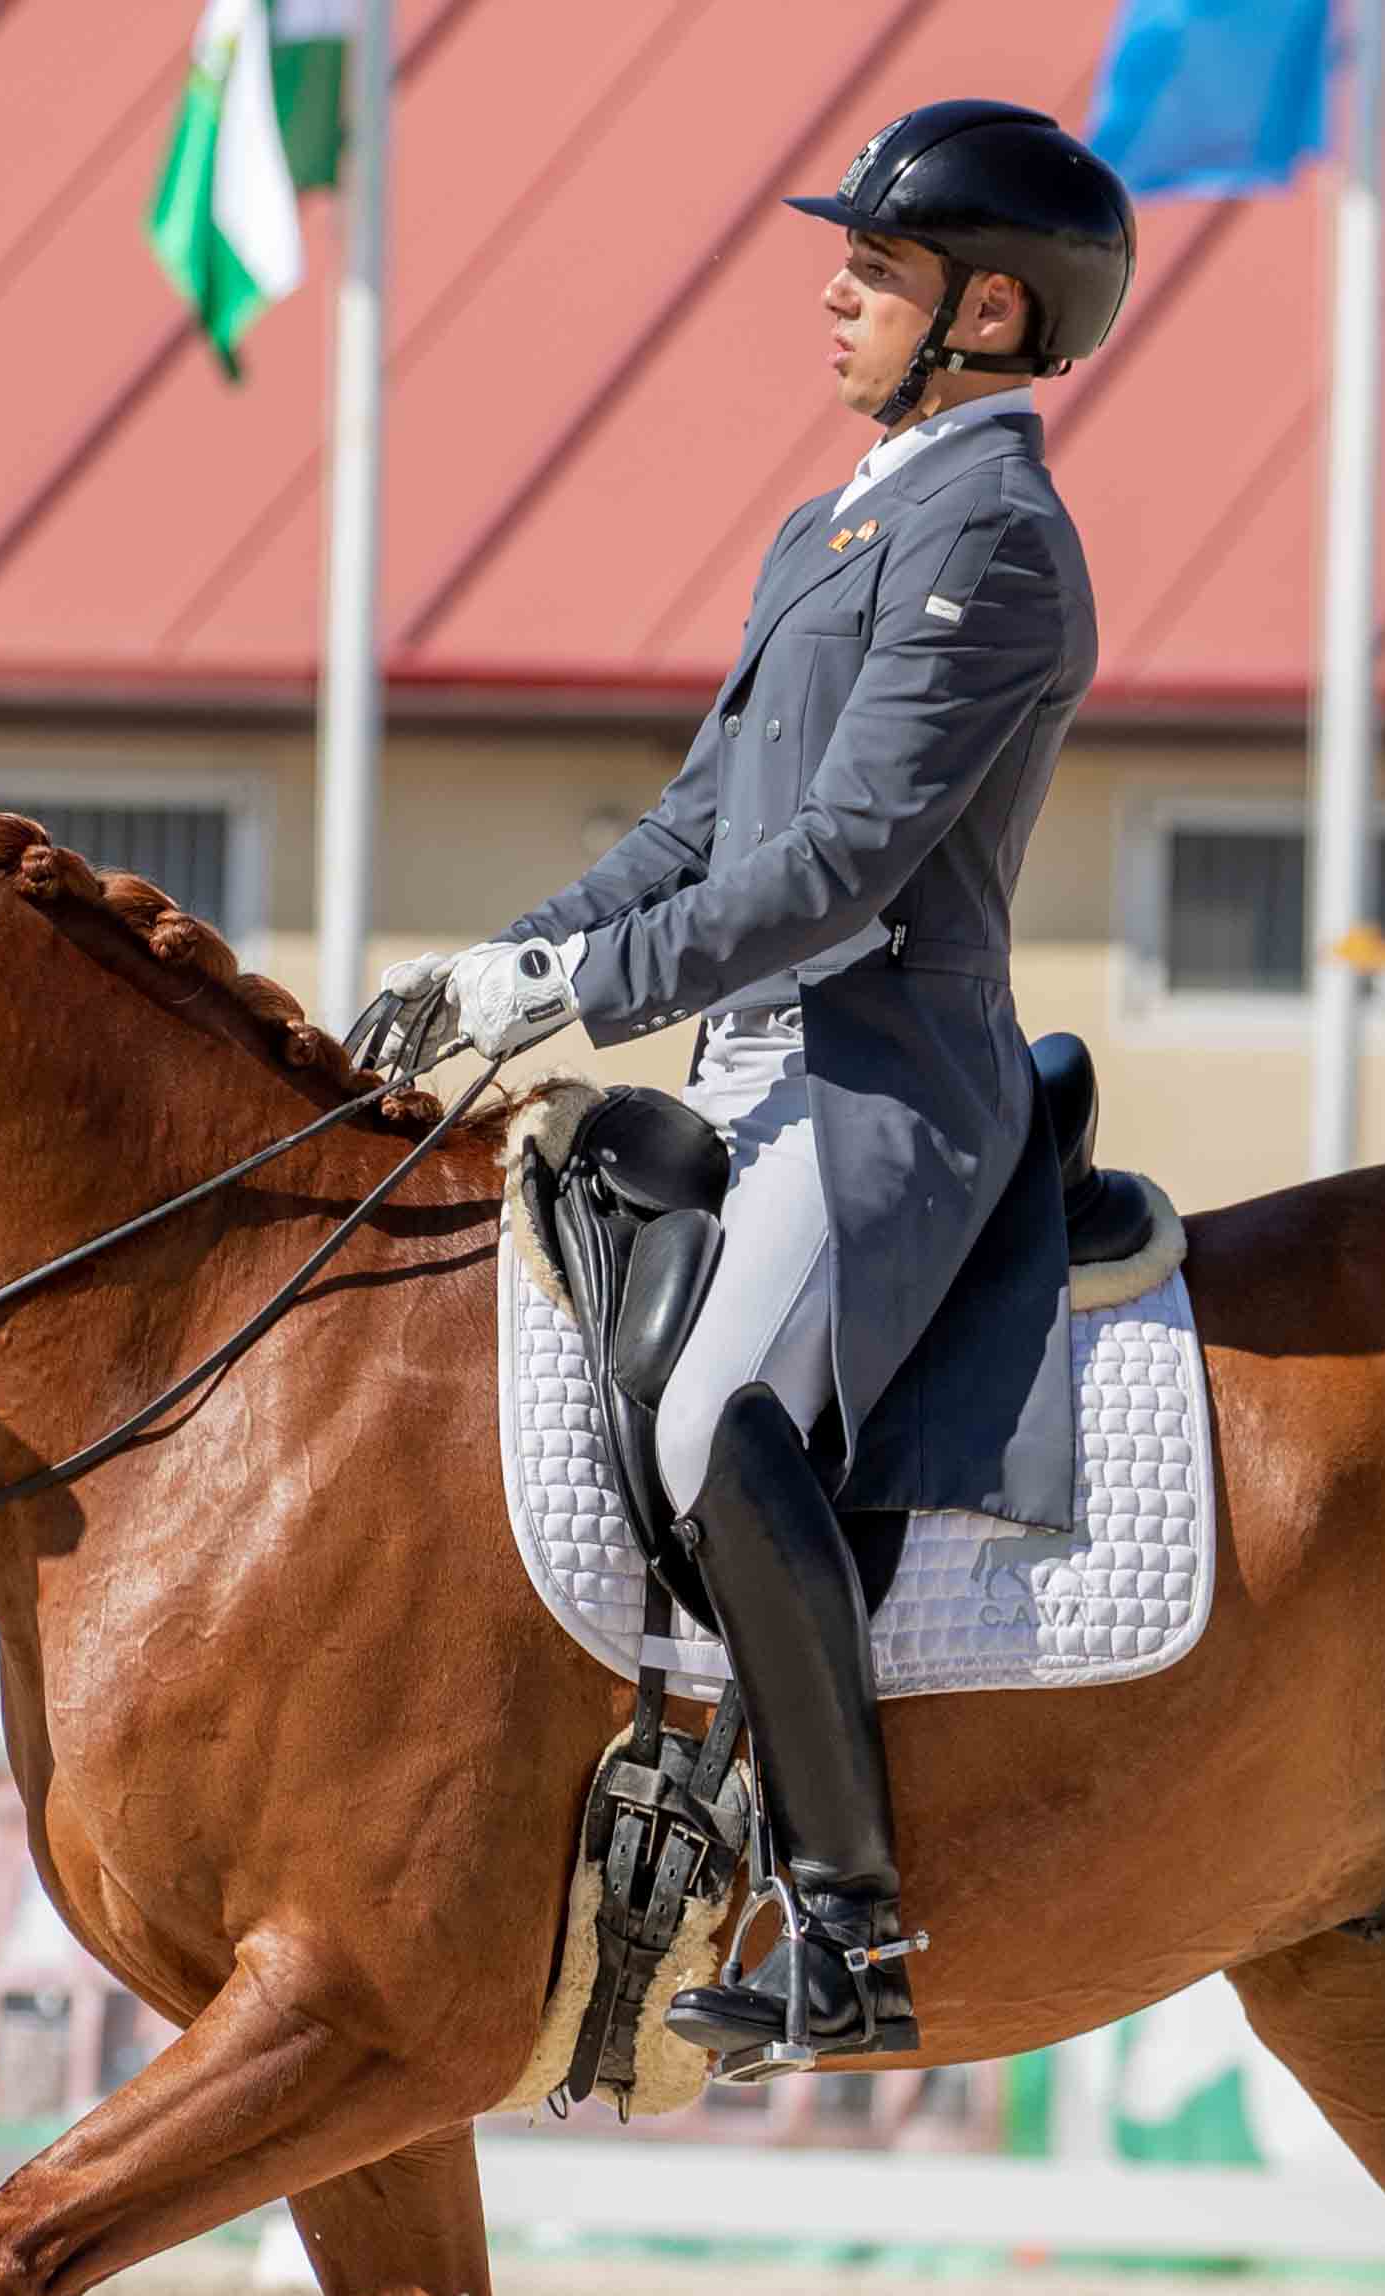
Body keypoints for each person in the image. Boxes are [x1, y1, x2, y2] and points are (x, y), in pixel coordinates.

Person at [386, 98, 1135, 2074]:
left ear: (986, 311)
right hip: (737, 1062)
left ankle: (850, 1924)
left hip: (885, 1081)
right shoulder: (844, 522)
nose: (834, 291)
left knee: (725, 1410)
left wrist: (587, 984)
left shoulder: (998, 540)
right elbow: (703, 825)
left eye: (874, 271)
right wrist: (508, 968)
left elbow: (836, 870)